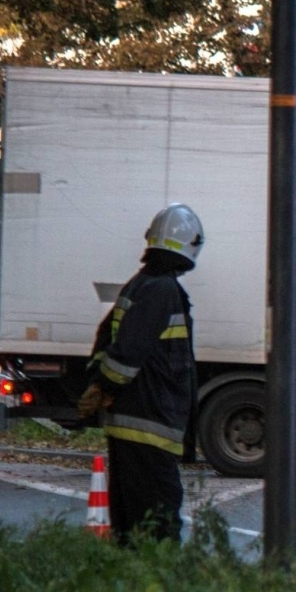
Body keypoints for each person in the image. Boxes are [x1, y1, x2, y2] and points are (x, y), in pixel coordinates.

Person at [77, 203, 203, 544]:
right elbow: (128, 352)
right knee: (157, 525)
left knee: (130, 525)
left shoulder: (137, 286)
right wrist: (104, 385)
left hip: (131, 426)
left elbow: (106, 340)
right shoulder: (162, 290)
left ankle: (131, 585)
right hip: (150, 425)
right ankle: (156, 590)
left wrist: (98, 386)